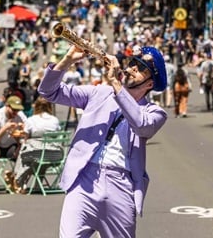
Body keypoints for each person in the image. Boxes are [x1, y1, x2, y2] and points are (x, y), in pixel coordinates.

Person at [38, 45, 168, 238]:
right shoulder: (99, 93)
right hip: (84, 178)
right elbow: (48, 92)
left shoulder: (154, 112)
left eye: (141, 69)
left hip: (121, 184)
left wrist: (116, 83)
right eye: (133, 63)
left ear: (150, 84)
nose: (132, 68)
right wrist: (67, 60)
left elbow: (142, 126)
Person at [6, 97, 62, 194]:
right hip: (55, 154)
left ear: (36, 107)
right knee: (40, 159)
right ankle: (36, 184)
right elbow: (58, 134)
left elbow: (26, 137)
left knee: (25, 153)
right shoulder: (55, 120)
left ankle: (18, 180)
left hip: (37, 153)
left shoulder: (32, 120)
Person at [0, 95, 28, 161]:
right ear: (7, 106)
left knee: (24, 149)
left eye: (18, 110)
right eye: (14, 110)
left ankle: (15, 171)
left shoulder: (20, 115)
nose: (16, 112)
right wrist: (5, 128)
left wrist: (24, 128)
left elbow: (28, 130)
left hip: (11, 145)